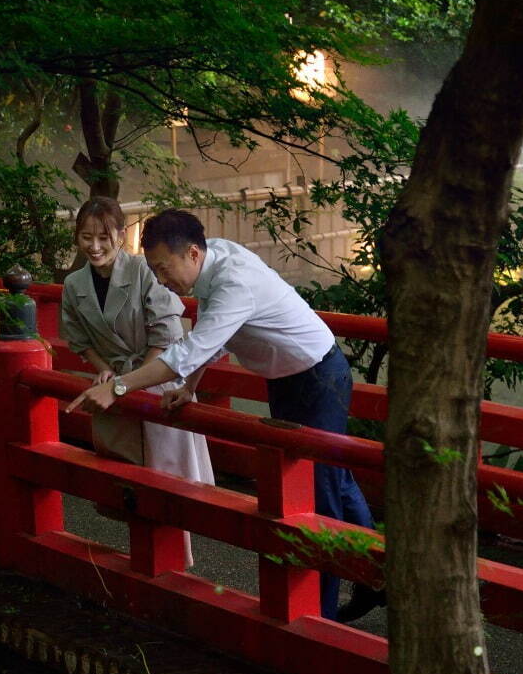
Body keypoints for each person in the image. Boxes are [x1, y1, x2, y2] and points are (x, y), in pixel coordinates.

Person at [64, 209, 384, 622]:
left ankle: (322, 611)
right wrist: (191, 387)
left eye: (163, 268)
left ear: (193, 253)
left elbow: (187, 350)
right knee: (329, 479)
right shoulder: (216, 263)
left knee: (318, 493)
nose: (161, 279)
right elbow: (210, 337)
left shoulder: (233, 281)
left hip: (317, 376)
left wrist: (119, 387)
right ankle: (376, 575)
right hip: (286, 377)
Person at [59, 197, 215, 566]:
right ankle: (146, 560)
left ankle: (175, 564)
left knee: (166, 480)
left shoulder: (147, 270)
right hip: (114, 385)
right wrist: (103, 368)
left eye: (103, 237)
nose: (94, 246)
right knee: (128, 481)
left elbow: (165, 337)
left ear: (120, 234)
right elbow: (79, 340)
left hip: (156, 380)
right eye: (86, 237)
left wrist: (127, 382)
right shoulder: (74, 283)